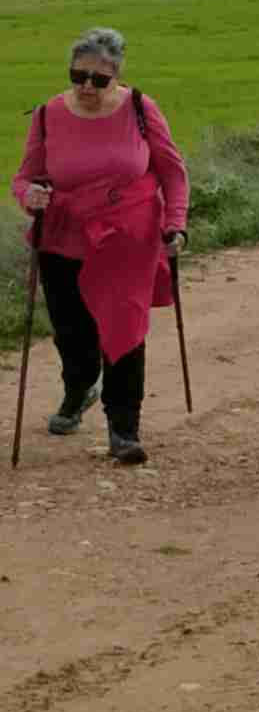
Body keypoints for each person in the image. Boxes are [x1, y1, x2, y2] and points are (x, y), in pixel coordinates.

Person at [11, 27, 190, 464]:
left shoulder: (140, 109)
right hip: (64, 234)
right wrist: (28, 194)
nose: (87, 86)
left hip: (128, 235)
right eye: (79, 76)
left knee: (123, 328)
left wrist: (175, 224)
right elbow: (24, 177)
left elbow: (172, 172)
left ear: (116, 77)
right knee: (73, 334)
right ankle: (79, 387)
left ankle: (123, 429)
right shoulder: (49, 114)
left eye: (99, 79)